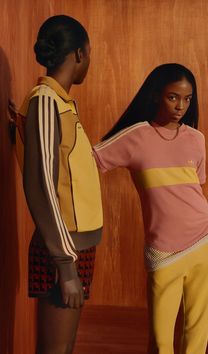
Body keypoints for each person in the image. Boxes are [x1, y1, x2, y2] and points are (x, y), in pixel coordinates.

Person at [93, 63, 208, 354]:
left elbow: (193, 190)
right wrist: (33, 131)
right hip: (164, 252)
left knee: (196, 337)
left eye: (187, 99)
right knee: (161, 342)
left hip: (205, 242)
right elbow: (88, 161)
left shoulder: (196, 139)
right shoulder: (136, 136)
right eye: (173, 97)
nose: (181, 106)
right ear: (156, 95)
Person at [14, 15, 103, 354]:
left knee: (63, 348)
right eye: (90, 55)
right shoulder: (46, 101)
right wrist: (65, 266)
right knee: (55, 350)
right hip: (63, 250)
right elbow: (41, 186)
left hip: (73, 247)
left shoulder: (58, 103)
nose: (89, 62)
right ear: (80, 53)